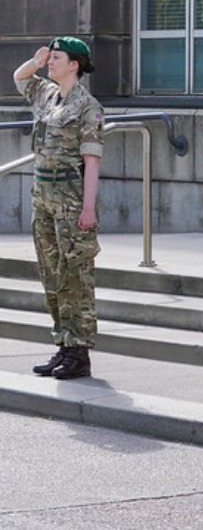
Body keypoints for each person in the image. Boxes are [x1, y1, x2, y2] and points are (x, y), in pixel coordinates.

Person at [13, 37, 104, 380]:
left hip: (70, 196)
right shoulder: (47, 95)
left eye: (56, 58)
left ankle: (79, 352)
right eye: (49, 57)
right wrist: (35, 62)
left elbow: (91, 161)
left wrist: (88, 208)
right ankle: (63, 345)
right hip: (43, 195)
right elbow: (19, 78)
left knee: (74, 276)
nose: (50, 62)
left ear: (74, 64)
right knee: (50, 273)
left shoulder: (88, 106)